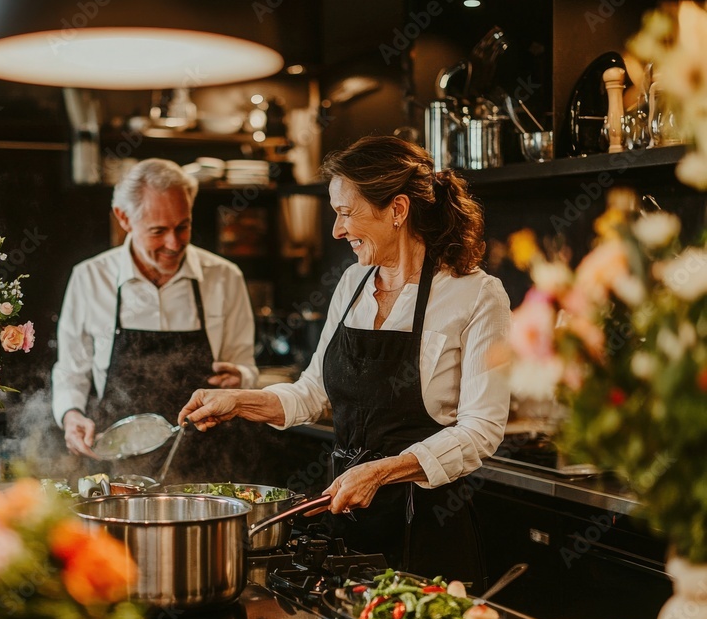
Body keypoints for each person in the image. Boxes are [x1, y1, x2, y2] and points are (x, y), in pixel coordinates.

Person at [180, 135, 511, 589]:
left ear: (397, 210)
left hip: (428, 530)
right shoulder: (353, 282)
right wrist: (238, 401)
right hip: (349, 530)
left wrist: (382, 471)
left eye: (345, 212)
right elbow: (312, 392)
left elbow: (482, 430)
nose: (337, 231)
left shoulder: (475, 294)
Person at [52, 157, 258, 466]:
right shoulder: (90, 278)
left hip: (207, 460)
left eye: (183, 226)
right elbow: (71, 370)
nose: (174, 243)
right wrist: (71, 415)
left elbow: (246, 368)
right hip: (118, 462)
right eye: (158, 231)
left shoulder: (225, 277)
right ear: (124, 218)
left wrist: (240, 378)